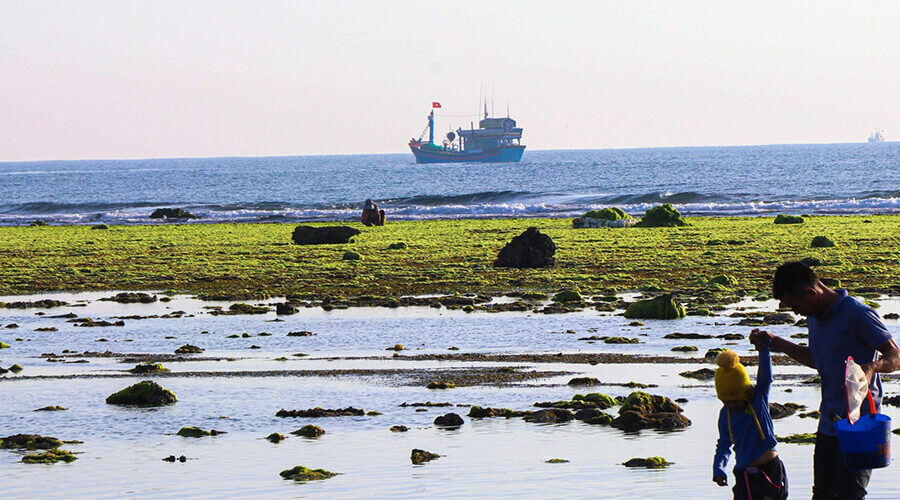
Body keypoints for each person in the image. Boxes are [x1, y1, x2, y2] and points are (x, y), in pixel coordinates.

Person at [749, 261, 900, 499]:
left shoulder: (858, 314)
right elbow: (816, 358)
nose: (796, 313)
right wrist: (775, 341)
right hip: (829, 424)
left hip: (861, 425)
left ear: (811, 293)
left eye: (796, 306)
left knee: (850, 494)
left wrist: (872, 367)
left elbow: (896, 356)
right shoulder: (814, 316)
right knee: (822, 495)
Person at [712, 341, 788, 499]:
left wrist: (764, 349)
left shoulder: (758, 401)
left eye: (735, 400)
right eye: (727, 401)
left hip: (770, 470)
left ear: (745, 392)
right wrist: (719, 468)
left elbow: (766, 378)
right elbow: (724, 443)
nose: (732, 405)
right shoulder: (725, 415)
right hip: (744, 474)